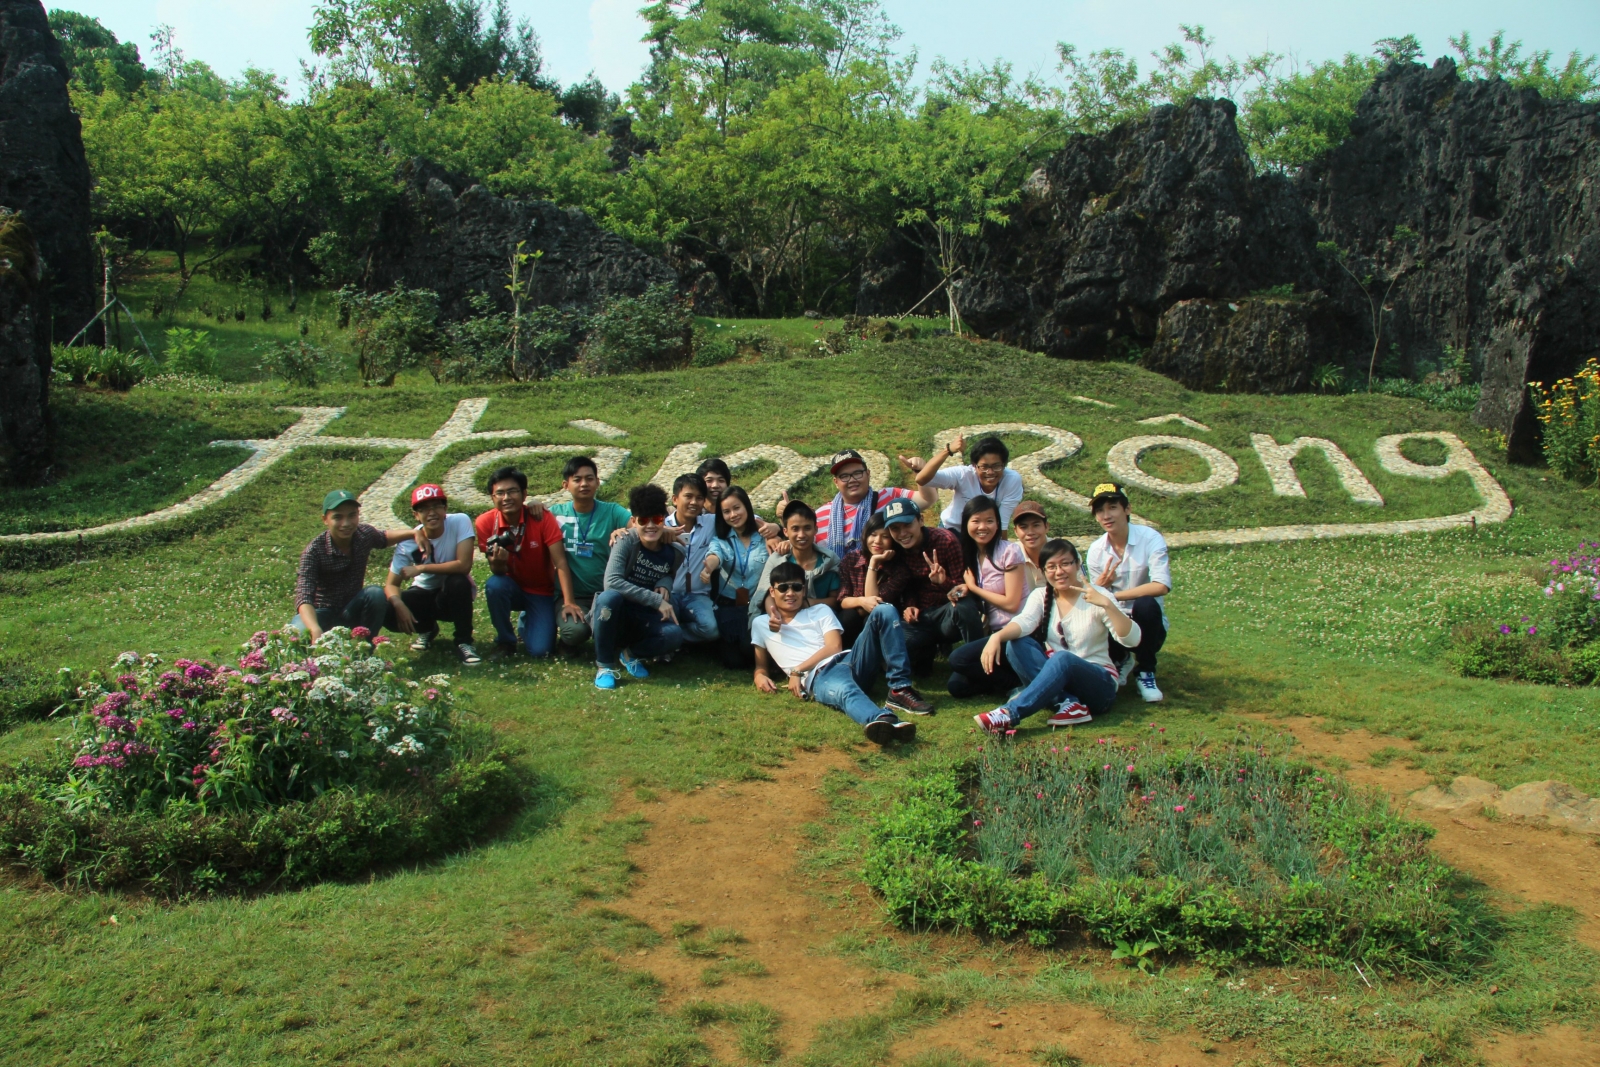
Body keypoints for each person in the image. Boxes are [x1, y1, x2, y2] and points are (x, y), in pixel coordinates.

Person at [971, 538, 1141, 733]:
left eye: (1065, 564)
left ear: (1077, 564)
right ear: (1043, 571)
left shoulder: (1097, 595)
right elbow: (1024, 622)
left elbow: (1133, 640)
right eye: (1051, 567)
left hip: (1099, 687)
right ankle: (1069, 703)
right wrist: (996, 637)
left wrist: (1108, 605)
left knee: (1063, 659)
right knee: (1015, 643)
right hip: (1060, 679)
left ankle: (1009, 714)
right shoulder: (1041, 595)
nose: (1059, 572)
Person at [750, 561, 930, 743]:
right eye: (783, 588)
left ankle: (899, 688)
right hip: (820, 676)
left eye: (796, 587)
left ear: (804, 590)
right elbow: (761, 666)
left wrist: (797, 671)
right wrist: (759, 677)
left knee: (885, 610)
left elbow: (833, 647)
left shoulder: (820, 610)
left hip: (850, 660)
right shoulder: (761, 624)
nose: (790, 593)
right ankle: (882, 719)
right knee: (845, 690)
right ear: (772, 592)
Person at [292, 490, 423, 642]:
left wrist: (413, 533)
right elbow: (304, 597)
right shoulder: (313, 552)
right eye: (337, 517)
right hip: (321, 612)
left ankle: (365, 650)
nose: (346, 523)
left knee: (375, 593)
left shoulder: (363, 534)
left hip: (352, 609)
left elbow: (384, 538)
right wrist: (314, 628)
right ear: (325, 519)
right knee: (297, 635)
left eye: (352, 515)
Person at [476, 466, 579, 658]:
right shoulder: (485, 523)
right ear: (492, 498)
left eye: (512, 491)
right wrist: (499, 563)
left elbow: (561, 562)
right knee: (495, 585)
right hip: (510, 586)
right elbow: (496, 570)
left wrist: (569, 602)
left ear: (524, 494)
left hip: (541, 590)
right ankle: (505, 641)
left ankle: (527, 621)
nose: (506, 497)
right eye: (500, 493)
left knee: (541, 651)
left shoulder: (541, 517)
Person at [593, 484, 686, 689]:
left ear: (664, 519)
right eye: (643, 520)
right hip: (615, 614)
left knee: (675, 634)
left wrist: (665, 584)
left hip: (643, 617)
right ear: (634, 521)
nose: (650, 526)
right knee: (608, 598)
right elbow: (612, 582)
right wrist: (656, 600)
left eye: (657, 519)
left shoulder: (676, 550)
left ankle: (630, 654)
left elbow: (669, 574)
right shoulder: (625, 540)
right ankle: (605, 665)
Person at [1084, 483, 1170, 703]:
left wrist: (1113, 596)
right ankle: (1120, 659)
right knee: (1097, 612)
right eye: (1100, 511)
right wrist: (1101, 585)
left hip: (1148, 621)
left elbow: (1161, 585)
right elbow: (1095, 596)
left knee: (1146, 604)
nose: (1106, 515)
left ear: (1127, 509)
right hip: (1115, 621)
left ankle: (1146, 671)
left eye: (1113, 507)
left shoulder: (1150, 538)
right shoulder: (1096, 550)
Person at [880, 498, 984, 676]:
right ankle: (927, 652)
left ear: (920, 520)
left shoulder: (945, 541)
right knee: (893, 647)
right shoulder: (896, 550)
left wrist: (943, 582)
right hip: (920, 619)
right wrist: (910, 605)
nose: (902, 533)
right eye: (895, 528)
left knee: (964, 607)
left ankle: (978, 663)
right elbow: (907, 584)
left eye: (907, 524)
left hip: (947, 614)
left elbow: (964, 589)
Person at [383, 483, 480, 665]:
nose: (431, 512)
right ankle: (427, 628)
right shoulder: (408, 544)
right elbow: (391, 584)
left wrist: (421, 568)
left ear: (445, 509)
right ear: (416, 515)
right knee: (387, 608)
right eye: (424, 508)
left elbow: (464, 565)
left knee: (458, 582)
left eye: (436, 506)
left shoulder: (460, 521)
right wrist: (399, 605)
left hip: (450, 595)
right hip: (423, 592)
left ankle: (464, 641)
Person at [943, 495, 1027, 697]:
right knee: (957, 687)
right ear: (966, 524)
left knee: (958, 659)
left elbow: (1012, 604)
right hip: (993, 634)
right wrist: (964, 588)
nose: (983, 527)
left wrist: (974, 587)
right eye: (976, 521)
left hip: (1016, 632)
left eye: (989, 521)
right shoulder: (971, 555)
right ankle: (1000, 680)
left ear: (998, 524)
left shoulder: (1010, 552)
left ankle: (1015, 684)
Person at [550, 455, 633, 650]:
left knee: (617, 634)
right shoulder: (554, 514)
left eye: (589, 478)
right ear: (566, 485)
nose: (584, 484)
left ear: (597, 482)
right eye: (577, 479)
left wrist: (627, 530)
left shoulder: (612, 511)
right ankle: (565, 637)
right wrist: (534, 504)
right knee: (576, 632)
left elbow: (638, 526)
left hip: (604, 593)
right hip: (569, 596)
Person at [702, 485, 769, 668]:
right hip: (729, 608)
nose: (733, 515)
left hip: (757, 606)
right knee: (733, 662)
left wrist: (776, 535)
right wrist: (709, 567)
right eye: (726, 511)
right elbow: (715, 555)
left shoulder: (764, 538)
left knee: (748, 649)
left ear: (746, 507)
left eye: (736, 508)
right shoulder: (720, 540)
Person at [815, 449, 919, 558]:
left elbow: (927, 498)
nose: (852, 480)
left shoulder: (889, 496)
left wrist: (919, 471)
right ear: (836, 482)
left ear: (868, 474)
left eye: (857, 473)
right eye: (844, 476)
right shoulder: (819, 516)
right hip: (839, 573)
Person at [751, 499, 841, 622]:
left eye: (807, 528)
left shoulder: (829, 560)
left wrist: (807, 603)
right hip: (784, 622)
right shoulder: (777, 560)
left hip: (822, 622)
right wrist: (774, 615)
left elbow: (836, 601)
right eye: (795, 529)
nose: (801, 534)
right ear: (785, 532)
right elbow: (767, 593)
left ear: (815, 529)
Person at [914, 434, 1026, 530]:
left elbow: (1002, 524)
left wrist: (1003, 554)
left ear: (1004, 464)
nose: (990, 472)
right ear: (974, 466)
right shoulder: (963, 474)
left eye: (996, 466)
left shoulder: (1012, 480)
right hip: (953, 529)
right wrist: (948, 450)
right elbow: (921, 479)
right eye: (984, 467)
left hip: (984, 533)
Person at [838, 509, 916, 647]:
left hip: (884, 620)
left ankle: (875, 661)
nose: (877, 541)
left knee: (872, 618)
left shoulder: (899, 569)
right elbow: (843, 600)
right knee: (848, 616)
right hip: (855, 618)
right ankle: (846, 658)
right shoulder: (851, 559)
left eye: (885, 537)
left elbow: (874, 606)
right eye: (873, 535)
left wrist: (873, 563)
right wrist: (861, 601)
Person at [666, 473, 720, 646]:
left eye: (699, 498)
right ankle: (669, 638)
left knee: (712, 629)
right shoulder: (662, 526)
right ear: (675, 499)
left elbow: (742, 516)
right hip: (669, 594)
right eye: (688, 496)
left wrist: (772, 527)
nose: (694, 502)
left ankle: (675, 635)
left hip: (698, 595)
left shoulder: (710, 522)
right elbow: (636, 523)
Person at [1010, 500, 1050, 591]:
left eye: (1036, 525)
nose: (1030, 532)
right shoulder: (1010, 556)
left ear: (1047, 526)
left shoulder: (1063, 551)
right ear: (1015, 531)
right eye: (1023, 527)